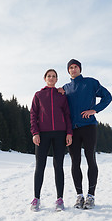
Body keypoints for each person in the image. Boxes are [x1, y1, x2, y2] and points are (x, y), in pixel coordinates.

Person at [61, 59, 112, 209]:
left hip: (89, 127)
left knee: (91, 159)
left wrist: (94, 109)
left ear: (80, 69)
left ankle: (91, 196)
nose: (73, 69)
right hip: (73, 130)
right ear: (68, 71)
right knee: (75, 162)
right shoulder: (66, 88)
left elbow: (107, 97)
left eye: (76, 67)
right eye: (70, 67)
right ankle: (79, 196)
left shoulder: (91, 83)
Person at [30, 69, 73, 212]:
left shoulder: (61, 95)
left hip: (60, 134)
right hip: (43, 134)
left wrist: (69, 133)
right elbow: (33, 115)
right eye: (49, 76)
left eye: (54, 76)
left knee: (58, 166)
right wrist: (35, 133)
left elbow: (67, 115)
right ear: (45, 78)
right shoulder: (38, 95)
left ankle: (59, 199)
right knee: (40, 166)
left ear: (57, 79)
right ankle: (36, 199)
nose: (51, 78)